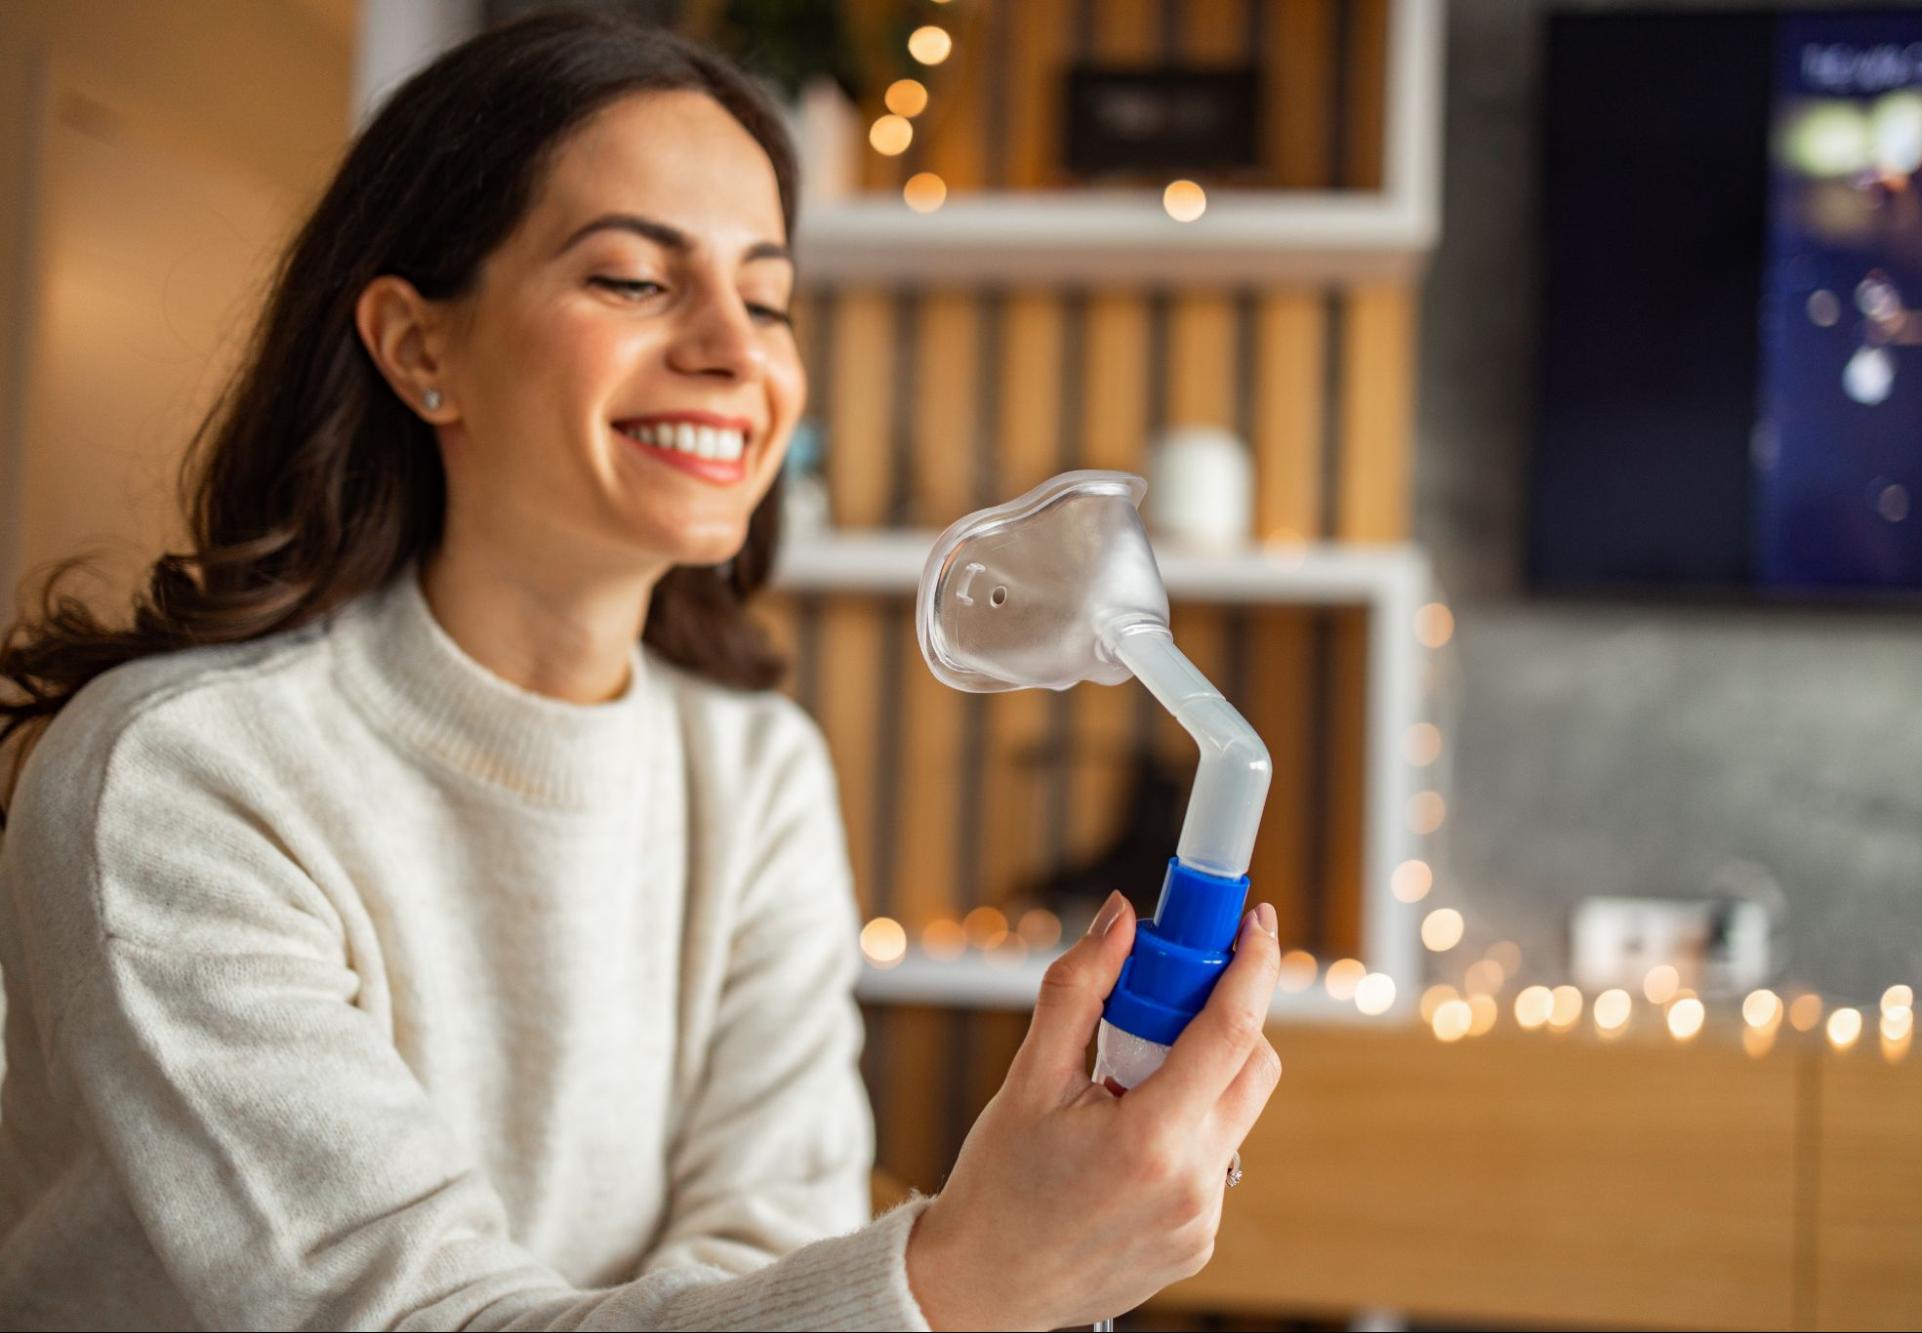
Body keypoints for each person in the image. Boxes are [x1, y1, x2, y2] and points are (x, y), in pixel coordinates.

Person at [0, 11, 1281, 1330]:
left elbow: (771, 1243)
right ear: (418, 345)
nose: (738, 349)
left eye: (770, 297)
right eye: (632, 279)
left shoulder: (754, 766)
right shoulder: (182, 779)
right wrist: (967, 1275)